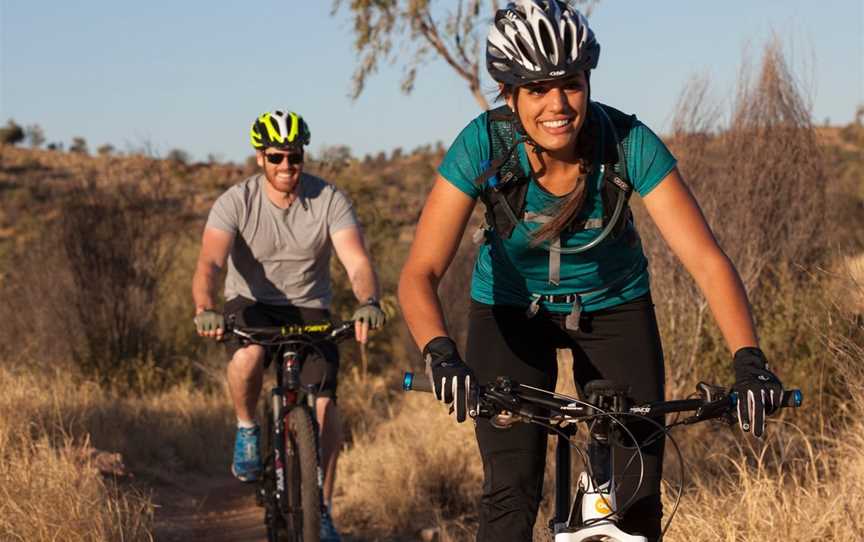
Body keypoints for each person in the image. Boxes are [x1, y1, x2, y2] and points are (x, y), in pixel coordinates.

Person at [397, 2, 783, 541]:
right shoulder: (484, 147)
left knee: (639, 500)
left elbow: (706, 259)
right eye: (537, 88)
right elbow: (420, 271)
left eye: (571, 84)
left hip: (613, 307)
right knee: (510, 495)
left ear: (588, 81)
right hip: (510, 313)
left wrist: (750, 362)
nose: (558, 104)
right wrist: (440, 354)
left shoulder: (627, 144)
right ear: (509, 95)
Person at [192, 109, 385, 541]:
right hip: (252, 304)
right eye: (276, 157)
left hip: (309, 307)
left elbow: (356, 261)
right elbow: (209, 263)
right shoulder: (236, 201)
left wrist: (367, 301)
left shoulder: (329, 199)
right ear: (260, 157)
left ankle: (322, 510)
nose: (286, 167)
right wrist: (205, 307)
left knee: (324, 407)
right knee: (248, 355)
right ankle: (247, 430)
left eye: (294, 158)